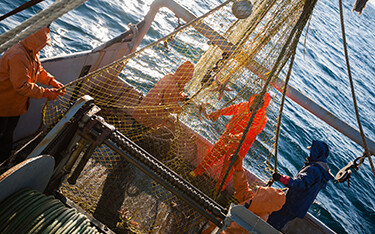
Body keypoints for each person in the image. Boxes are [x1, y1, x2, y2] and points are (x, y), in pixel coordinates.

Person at [0, 26, 64, 163]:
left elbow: (38, 70)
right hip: (2, 105)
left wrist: (51, 81)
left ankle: (4, 160)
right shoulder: (17, 55)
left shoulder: (32, 51)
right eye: (42, 44)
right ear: (35, 41)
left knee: (8, 133)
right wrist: (47, 93)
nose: (42, 48)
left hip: (14, 107)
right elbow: (21, 86)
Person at [190, 93, 271, 191]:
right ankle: (196, 172)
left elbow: (251, 133)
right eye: (256, 100)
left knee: (227, 170)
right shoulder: (244, 105)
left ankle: (218, 189)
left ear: (263, 105)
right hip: (226, 137)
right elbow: (232, 109)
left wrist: (236, 137)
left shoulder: (262, 119)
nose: (256, 104)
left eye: (260, 103)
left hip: (238, 147)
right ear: (253, 98)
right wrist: (219, 112)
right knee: (211, 155)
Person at [202, 157, 286, 233]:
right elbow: (242, 188)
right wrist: (238, 168)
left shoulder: (258, 223)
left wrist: (215, 221)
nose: (256, 194)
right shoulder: (252, 201)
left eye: (261, 194)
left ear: (264, 199)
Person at [267, 140, 334, 231]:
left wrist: (281, 178)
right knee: (278, 223)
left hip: (291, 204)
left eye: (312, 151)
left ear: (316, 153)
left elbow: (299, 184)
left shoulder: (314, 170)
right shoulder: (322, 172)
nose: (310, 153)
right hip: (299, 207)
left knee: (271, 222)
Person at [132, 61, 194, 129]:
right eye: (187, 77)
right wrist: (180, 109)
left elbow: (167, 94)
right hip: (147, 119)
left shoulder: (170, 77)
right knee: (138, 131)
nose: (188, 79)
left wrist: (182, 97)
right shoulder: (173, 86)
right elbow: (170, 104)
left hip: (142, 112)